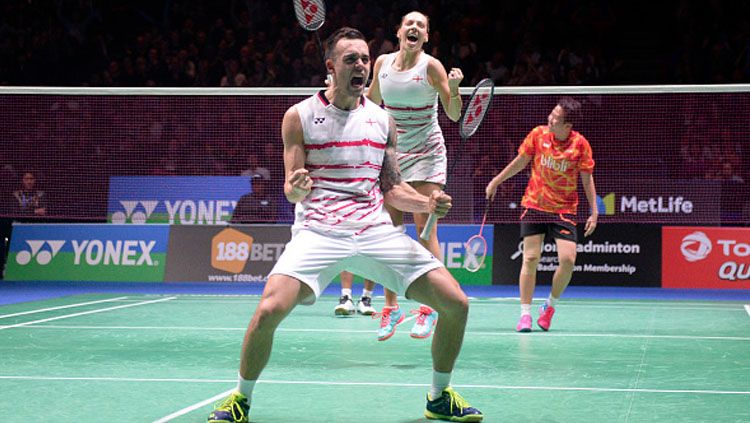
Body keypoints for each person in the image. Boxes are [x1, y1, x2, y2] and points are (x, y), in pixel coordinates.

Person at [207, 27, 482, 423]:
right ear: (331, 67)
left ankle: (439, 397)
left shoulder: (383, 122)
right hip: (318, 230)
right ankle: (240, 400)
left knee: (455, 303)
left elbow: (391, 188)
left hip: (373, 230)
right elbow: (292, 188)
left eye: (366, 59)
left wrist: (427, 202)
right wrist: (297, 186)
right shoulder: (299, 116)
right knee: (268, 310)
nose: (361, 66)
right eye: (351, 59)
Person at [366, 11, 463, 342]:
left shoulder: (430, 67)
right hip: (393, 153)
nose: (414, 28)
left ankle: (429, 308)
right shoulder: (382, 65)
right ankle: (391, 310)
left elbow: (453, 114)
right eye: (410, 23)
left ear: (426, 37)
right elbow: (370, 104)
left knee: (426, 227)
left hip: (427, 152)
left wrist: (454, 89)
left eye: (421, 25)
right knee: (390, 232)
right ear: (399, 31)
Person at [485, 97, 598, 333]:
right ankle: (525, 314)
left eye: (556, 118)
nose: (550, 119)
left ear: (567, 126)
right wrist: (496, 181)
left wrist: (594, 211)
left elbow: (587, 180)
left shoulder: (580, 145)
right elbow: (520, 162)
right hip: (535, 204)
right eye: (552, 114)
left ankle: (549, 306)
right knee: (530, 258)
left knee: (568, 261)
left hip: (564, 210)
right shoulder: (538, 134)